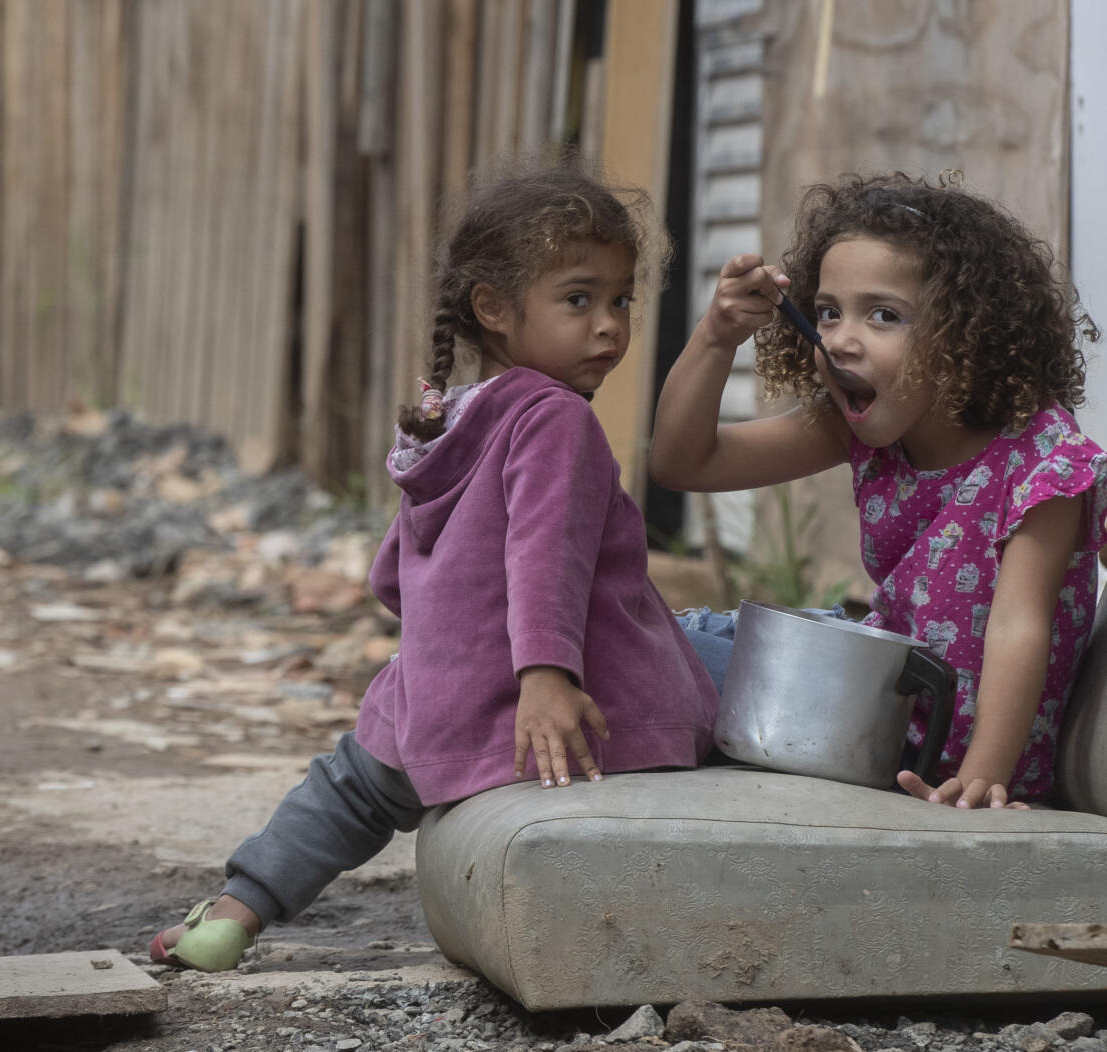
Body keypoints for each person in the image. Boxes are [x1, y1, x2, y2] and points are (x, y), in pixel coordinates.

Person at [151, 162, 721, 972]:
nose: (608, 327)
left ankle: (231, 915)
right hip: (547, 704)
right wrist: (545, 677)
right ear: (494, 308)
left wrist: (448, 640)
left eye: (621, 300)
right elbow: (547, 556)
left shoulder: (448, 422)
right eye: (578, 299)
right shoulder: (556, 418)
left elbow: (392, 575)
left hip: (436, 699)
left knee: (349, 786)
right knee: (730, 671)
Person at [651, 172, 1107, 810]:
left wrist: (981, 779)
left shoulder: (1044, 462)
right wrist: (715, 337)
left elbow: (1018, 625)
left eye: (884, 315)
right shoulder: (860, 428)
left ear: (966, 334)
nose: (841, 340)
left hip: (929, 746)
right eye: (827, 312)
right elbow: (684, 463)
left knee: (647, 650)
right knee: (666, 633)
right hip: (876, 692)